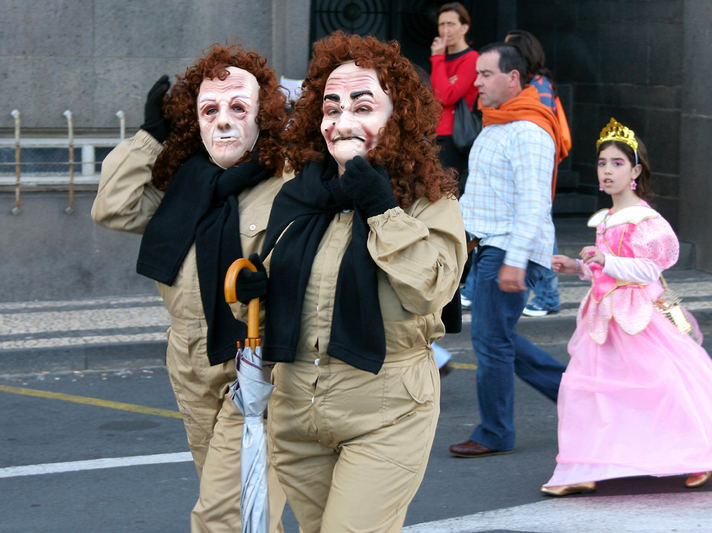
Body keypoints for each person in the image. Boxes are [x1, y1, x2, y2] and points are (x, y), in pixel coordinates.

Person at [233, 31, 466, 532]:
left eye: (363, 107)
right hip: (297, 414)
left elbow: (430, 289)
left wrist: (381, 207)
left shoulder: (428, 202)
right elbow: (269, 305)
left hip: (387, 413)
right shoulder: (298, 196)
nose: (342, 122)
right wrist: (250, 292)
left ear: (397, 117)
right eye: (331, 107)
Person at [541, 118, 712, 496]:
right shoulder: (608, 217)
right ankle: (584, 467)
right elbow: (607, 270)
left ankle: (699, 455)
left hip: (639, 317)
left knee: (666, 388)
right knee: (590, 392)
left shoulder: (647, 220)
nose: (607, 170)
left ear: (635, 171)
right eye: (601, 163)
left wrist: (602, 260)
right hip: (602, 317)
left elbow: (649, 269)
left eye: (616, 163)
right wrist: (578, 266)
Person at [91, 44, 290, 532]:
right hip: (190, 357)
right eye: (209, 109)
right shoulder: (184, 183)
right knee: (249, 514)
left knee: (225, 515)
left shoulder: (289, 181)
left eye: (238, 107)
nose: (223, 121)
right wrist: (150, 137)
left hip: (259, 359)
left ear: (264, 114)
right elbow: (113, 206)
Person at [449, 43, 569, 458]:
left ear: (512, 77)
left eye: (485, 74)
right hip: (490, 248)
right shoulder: (497, 123)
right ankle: (577, 393)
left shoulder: (529, 131)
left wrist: (516, 261)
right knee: (496, 338)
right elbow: (480, 196)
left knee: (490, 340)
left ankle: (495, 431)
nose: (476, 82)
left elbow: (535, 204)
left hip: (508, 250)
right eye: (477, 74)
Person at [505, 29, 567, 318]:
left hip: (536, 164)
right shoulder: (540, 84)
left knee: (541, 224)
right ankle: (545, 294)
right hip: (535, 163)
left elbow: (537, 129)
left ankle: (547, 295)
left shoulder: (538, 88)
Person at [430, 1, 479, 194]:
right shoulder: (441, 58)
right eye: (442, 24)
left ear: (464, 28)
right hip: (436, 132)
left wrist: (437, 58)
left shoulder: (471, 58)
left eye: (451, 24)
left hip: (454, 136)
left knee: (448, 190)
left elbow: (445, 96)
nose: (445, 30)